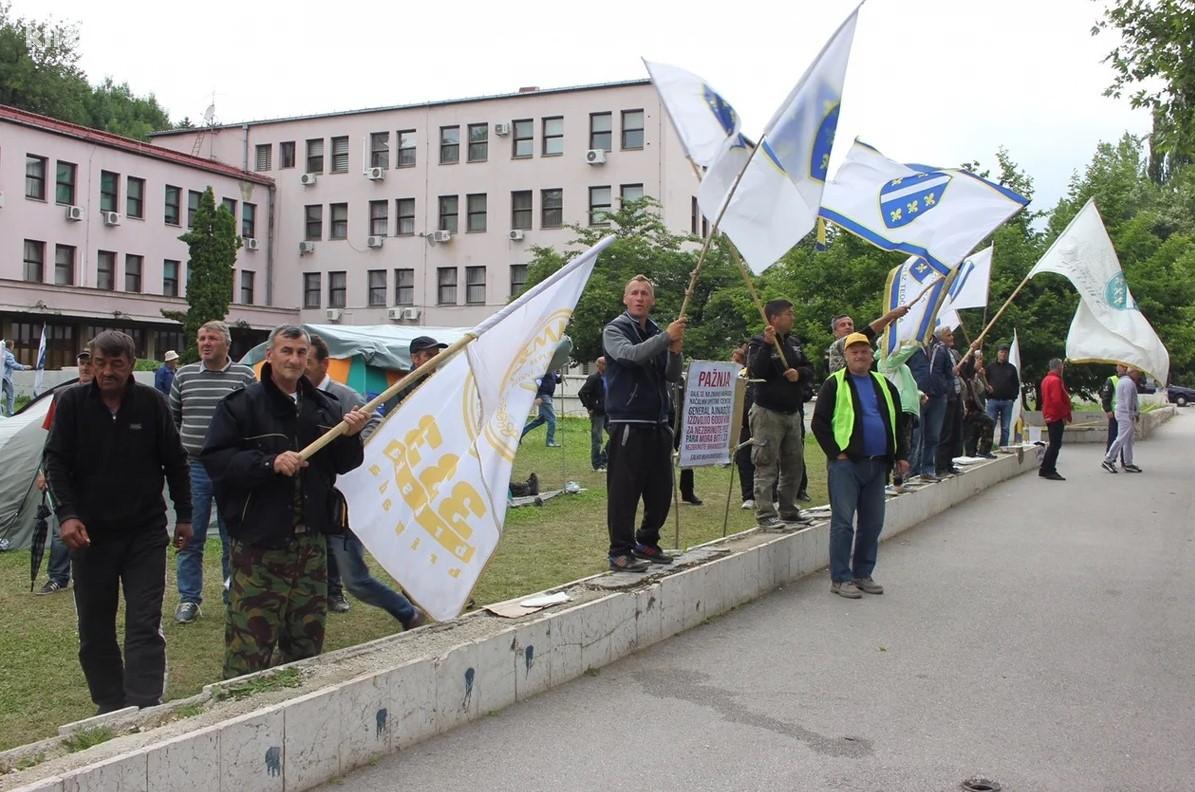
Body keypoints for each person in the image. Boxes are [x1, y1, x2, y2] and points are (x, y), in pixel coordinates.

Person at [201, 325, 367, 678]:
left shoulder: (326, 407)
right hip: (261, 543)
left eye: (301, 352)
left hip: (311, 544)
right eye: (287, 351)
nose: (294, 359)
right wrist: (268, 463)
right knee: (250, 647)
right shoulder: (241, 406)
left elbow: (344, 464)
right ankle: (239, 714)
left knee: (306, 644)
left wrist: (350, 437)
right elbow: (216, 459)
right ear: (270, 356)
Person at [42, 330, 192, 713]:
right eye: (100, 363)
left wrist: (186, 516)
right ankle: (109, 706)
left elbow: (175, 463)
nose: (107, 371)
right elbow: (55, 462)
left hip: (144, 532)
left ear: (131, 365)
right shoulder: (72, 402)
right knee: (95, 627)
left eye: (117, 364)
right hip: (89, 535)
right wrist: (68, 514)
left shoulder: (152, 403)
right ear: (91, 363)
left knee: (144, 621)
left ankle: (145, 704)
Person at [306, 335, 425, 628]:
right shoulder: (294, 398)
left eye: (306, 360)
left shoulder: (343, 396)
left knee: (356, 580)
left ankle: (408, 612)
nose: (299, 365)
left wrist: (353, 443)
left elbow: (373, 425)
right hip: (308, 501)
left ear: (324, 364)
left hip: (343, 503)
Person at [169, 321, 257, 624]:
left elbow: (253, 420)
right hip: (194, 467)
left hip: (232, 469)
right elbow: (173, 418)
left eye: (212, 339)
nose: (206, 343)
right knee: (190, 534)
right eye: (201, 338)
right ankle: (189, 598)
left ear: (227, 345)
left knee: (232, 534)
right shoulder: (184, 375)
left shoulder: (244, 376)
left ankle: (233, 592)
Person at [811, 332, 909, 599]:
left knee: (873, 522)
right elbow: (818, 423)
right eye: (854, 352)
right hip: (846, 465)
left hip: (877, 464)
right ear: (845, 356)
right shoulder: (834, 384)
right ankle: (840, 578)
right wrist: (836, 453)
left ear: (871, 355)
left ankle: (863, 574)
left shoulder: (883, 384)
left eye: (864, 351)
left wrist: (901, 455)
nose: (860, 356)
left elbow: (897, 422)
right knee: (843, 523)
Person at [602, 275, 684, 572]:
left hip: (658, 423)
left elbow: (672, 375)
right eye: (634, 293)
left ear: (652, 301)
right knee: (624, 492)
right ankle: (619, 551)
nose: (639, 298)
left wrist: (675, 352)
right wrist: (665, 339)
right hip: (628, 422)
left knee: (660, 491)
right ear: (625, 299)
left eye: (645, 294)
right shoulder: (615, 330)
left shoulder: (657, 331)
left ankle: (647, 541)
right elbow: (630, 356)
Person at [747, 299, 815, 529]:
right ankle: (765, 514)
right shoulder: (758, 341)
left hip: (792, 412)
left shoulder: (794, 342)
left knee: (794, 464)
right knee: (765, 464)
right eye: (789, 314)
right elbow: (756, 370)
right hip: (767, 412)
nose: (793, 317)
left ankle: (788, 509)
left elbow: (810, 367)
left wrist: (799, 373)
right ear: (774, 318)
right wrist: (767, 346)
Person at [34, 350, 94, 595]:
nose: (85, 367)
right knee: (63, 524)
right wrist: (42, 470)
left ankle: (92, 574)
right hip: (64, 471)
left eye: (90, 363)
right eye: (82, 363)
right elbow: (49, 438)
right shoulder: (62, 395)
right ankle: (58, 577)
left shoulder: (111, 396)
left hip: (95, 473)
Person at [825, 306, 909, 375]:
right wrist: (890, 316)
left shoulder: (865, 348)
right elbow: (867, 332)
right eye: (842, 325)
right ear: (835, 332)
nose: (847, 327)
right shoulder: (835, 346)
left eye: (850, 324)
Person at [919, 327, 956, 482]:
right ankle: (912, 472)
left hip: (938, 397)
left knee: (933, 436)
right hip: (919, 396)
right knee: (916, 437)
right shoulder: (913, 347)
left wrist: (944, 389)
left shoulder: (941, 350)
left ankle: (928, 469)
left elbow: (949, 373)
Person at [1102, 367, 1143, 474]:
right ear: (1132, 372)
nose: (1139, 376)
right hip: (1125, 414)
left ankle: (1128, 462)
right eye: (1138, 373)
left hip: (1121, 412)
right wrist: (1133, 414)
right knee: (1122, 438)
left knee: (1128, 439)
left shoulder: (1122, 381)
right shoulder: (1129, 383)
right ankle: (1108, 459)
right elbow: (1130, 401)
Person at [1039, 358, 1072, 481]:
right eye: (1062, 366)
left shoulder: (1046, 380)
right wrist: (1064, 414)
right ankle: (1049, 469)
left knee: (1054, 443)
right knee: (1055, 444)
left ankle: (1044, 468)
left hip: (1049, 414)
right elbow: (1057, 400)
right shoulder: (1056, 381)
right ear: (1059, 367)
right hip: (1056, 415)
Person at [960, 350, 996, 458]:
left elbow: (982, 390)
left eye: (981, 359)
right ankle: (980, 451)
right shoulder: (966, 372)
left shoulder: (976, 375)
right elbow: (965, 390)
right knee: (986, 424)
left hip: (975, 407)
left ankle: (976, 452)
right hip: (967, 407)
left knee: (974, 431)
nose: (980, 362)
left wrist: (982, 378)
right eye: (978, 359)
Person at [984, 343, 1020, 446]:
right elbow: (985, 381)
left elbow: (1016, 384)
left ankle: (1003, 447)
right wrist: (988, 396)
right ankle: (988, 447)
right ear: (997, 353)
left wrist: (1013, 397)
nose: (1003, 354)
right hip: (993, 401)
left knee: (1005, 427)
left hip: (1007, 401)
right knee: (990, 425)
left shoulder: (1011, 368)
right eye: (1001, 352)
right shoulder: (990, 367)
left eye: (1005, 353)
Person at [577, 357, 608, 471]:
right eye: (605, 364)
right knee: (597, 439)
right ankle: (597, 464)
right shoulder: (594, 379)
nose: (607, 366)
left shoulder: (609, 378)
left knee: (616, 435)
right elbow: (582, 393)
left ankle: (605, 458)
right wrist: (590, 407)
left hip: (609, 411)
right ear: (598, 365)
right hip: (598, 413)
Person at [521, 369, 561, 447]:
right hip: (543, 396)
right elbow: (536, 381)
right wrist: (538, 396)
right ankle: (550, 442)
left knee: (540, 420)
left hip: (548, 396)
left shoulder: (553, 369)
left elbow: (556, 380)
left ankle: (519, 435)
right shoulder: (544, 368)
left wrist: (561, 378)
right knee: (552, 419)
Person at [1100, 364, 1129, 466]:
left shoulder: (1128, 381)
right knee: (1113, 437)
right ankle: (1110, 459)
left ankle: (1124, 460)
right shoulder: (1111, 380)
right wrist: (1108, 410)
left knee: (1124, 437)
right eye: (1121, 366)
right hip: (1114, 413)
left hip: (1124, 413)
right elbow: (1105, 396)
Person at [2, 339, 31, 416]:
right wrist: (24, 367)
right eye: (13, 345)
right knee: (10, 396)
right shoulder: (8, 354)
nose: (13, 347)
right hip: (5, 378)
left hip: (1, 377)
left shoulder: (1, 352)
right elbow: (13, 365)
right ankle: (10, 413)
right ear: (11, 346)